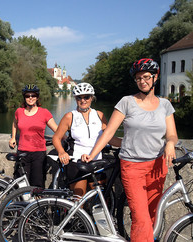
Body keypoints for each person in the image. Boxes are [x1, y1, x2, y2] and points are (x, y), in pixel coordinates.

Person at [81, 58, 178, 242]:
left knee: (151, 215)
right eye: (138, 78)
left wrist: (170, 143)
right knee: (141, 219)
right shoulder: (127, 102)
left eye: (146, 77)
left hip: (158, 167)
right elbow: (108, 132)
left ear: (155, 77)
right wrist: (92, 155)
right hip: (132, 166)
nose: (142, 81)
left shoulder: (165, 105)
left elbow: (172, 134)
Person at [52, 82, 121, 197]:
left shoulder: (99, 115)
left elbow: (109, 138)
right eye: (79, 97)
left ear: (92, 98)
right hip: (76, 162)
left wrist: (127, 143)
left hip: (97, 162)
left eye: (86, 97)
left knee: (101, 200)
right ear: (75, 98)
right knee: (78, 199)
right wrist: (61, 152)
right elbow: (56, 138)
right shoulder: (70, 116)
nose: (83, 100)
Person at [9, 84, 58, 188]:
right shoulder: (19, 111)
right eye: (27, 96)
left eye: (33, 95)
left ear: (37, 97)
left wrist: (66, 139)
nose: (30, 98)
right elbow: (14, 124)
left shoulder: (44, 113)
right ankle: (23, 204)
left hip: (38, 153)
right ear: (24, 97)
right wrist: (13, 137)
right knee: (21, 184)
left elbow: (57, 130)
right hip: (22, 152)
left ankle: (37, 204)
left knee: (37, 184)